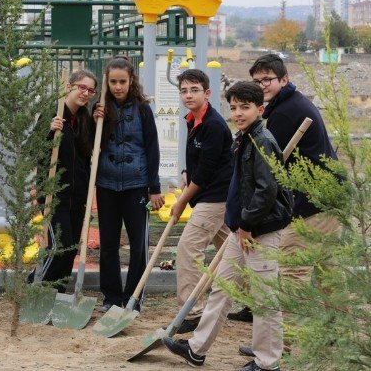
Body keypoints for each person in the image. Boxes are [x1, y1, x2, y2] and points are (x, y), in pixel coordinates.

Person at [163, 81, 293, 371]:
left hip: (260, 231)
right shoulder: (244, 138)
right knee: (222, 288)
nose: (238, 113)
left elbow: (266, 190)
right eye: (233, 107)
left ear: (260, 109)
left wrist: (246, 224)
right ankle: (196, 349)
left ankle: (268, 363)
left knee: (264, 297)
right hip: (240, 230)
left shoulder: (262, 141)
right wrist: (239, 225)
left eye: (245, 108)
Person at [230, 54, 343, 354]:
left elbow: (265, 172)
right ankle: (337, 331)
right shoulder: (286, 105)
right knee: (327, 272)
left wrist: (250, 219)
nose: (262, 85)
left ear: (284, 79)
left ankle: (284, 345)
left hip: (313, 206)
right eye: (257, 80)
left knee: (292, 272)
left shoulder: (285, 114)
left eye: (267, 79)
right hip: (327, 200)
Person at [95, 55, 163, 313]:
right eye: (113, 81)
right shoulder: (100, 107)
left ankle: (134, 297)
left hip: (137, 184)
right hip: (106, 184)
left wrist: (154, 186)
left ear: (131, 80)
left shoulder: (142, 108)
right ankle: (111, 297)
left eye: (122, 81)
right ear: (107, 81)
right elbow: (92, 142)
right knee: (108, 243)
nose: (118, 87)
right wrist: (95, 118)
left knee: (139, 243)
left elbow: (152, 147)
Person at [170, 69, 232, 334]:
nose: (188, 95)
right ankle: (258, 301)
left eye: (194, 90)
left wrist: (182, 200)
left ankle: (192, 312)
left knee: (187, 248)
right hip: (212, 195)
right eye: (184, 90)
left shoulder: (214, 125)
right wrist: (186, 172)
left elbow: (206, 173)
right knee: (237, 254)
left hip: (216, 198)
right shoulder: (192, 119)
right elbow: (198, 161)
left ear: (207, 93)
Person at [30, 69, 104, 290]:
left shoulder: (84, 120)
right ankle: (35, 285)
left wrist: (100, 120)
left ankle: (57, 289)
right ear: (69, 86)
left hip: (77, 194)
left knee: (71, 247)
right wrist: (49, 132)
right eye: (82, 87)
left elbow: (89, 152)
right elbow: (33, 151)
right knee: (59, 245)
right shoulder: (54, 114)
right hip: (54, 193)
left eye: (90, 90)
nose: (85, 93)